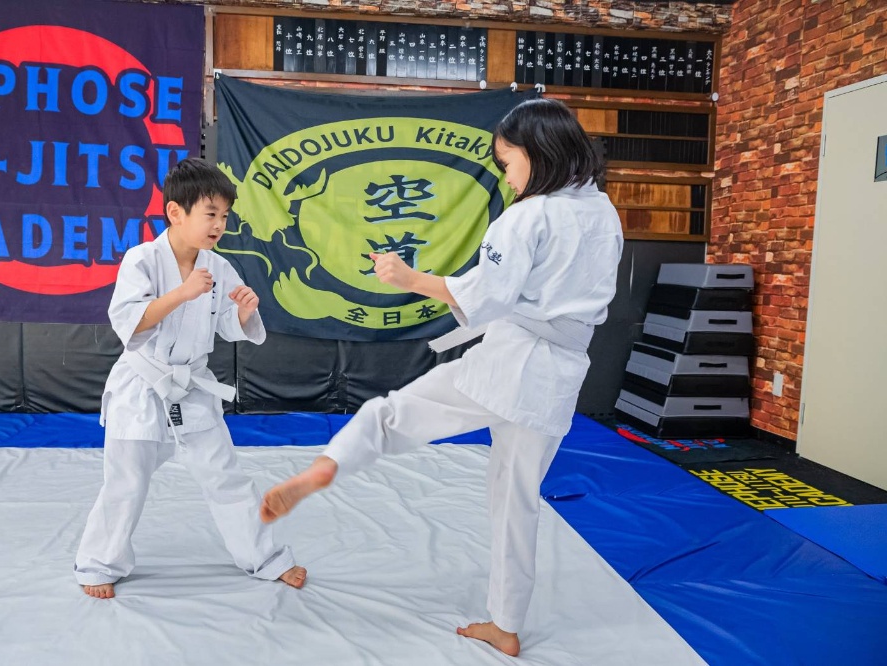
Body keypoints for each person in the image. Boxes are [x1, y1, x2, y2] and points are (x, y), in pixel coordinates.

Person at [259, 98, 622, 656]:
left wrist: (409, 277)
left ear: (537, 152)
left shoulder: (528, 216)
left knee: (390, 415)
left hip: (509, 363)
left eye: (508, 163)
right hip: (557, 378)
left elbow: (488, 295)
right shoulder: (603, 213)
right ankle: (506, 625)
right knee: (517, 502)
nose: (507, 177)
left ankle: (330, 464)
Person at [75, 157, 306, 599]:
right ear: (175, 212)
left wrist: (243, 313)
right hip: (142, 385)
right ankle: (98, 563)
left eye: (225, 216)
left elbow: (226, 324)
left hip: (192, 386)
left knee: (226, 477)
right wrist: (181, 293)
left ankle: (266, 558)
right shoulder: (142, 260)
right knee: (126, 482)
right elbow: (130, 324)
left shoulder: (218, 268)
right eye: (210, 213)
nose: (219, 224)